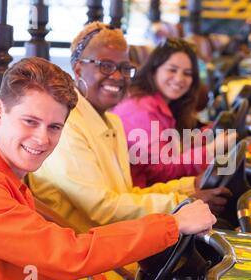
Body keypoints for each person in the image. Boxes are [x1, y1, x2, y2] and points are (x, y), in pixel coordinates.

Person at [0, 57, 216, 280]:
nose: (42, 139)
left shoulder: (6, 178)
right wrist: (172, 224)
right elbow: (68, 255)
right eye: (30, 121)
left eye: (54, 127)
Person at [28, 22, 231, 232]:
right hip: (94, 254)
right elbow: (103, 209)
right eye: (105, 65)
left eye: (125, 68)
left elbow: (125, 195)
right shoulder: (66, 126)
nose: (117, 76)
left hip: (123, 239)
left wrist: (190, 188)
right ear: (79, 69)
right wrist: (183, 202)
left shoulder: (112, 121)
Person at [113, 38, 236, 188]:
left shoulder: (162, 103)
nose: (179, 79)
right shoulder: (140, 110)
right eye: (172, 70)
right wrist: (210, 151)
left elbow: (170, 150)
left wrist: (206, 136)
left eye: (187, 73)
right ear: (154, 69)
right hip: (144, 198)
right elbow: (161, 172)